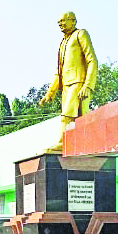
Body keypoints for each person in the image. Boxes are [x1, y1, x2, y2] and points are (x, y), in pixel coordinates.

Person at [40, 11, 97, 151]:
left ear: (73, 21)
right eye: (59, 22)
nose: (61, 24)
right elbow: (59, 71)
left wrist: (88, 85)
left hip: (78, 82)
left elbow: (92, 60)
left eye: (63, 21)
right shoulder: (63, 42)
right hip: (66, 85)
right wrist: (50, 92)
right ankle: (76, 143)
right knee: (73, 116)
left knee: (67, 115)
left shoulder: (81, 34)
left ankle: (63, 143)